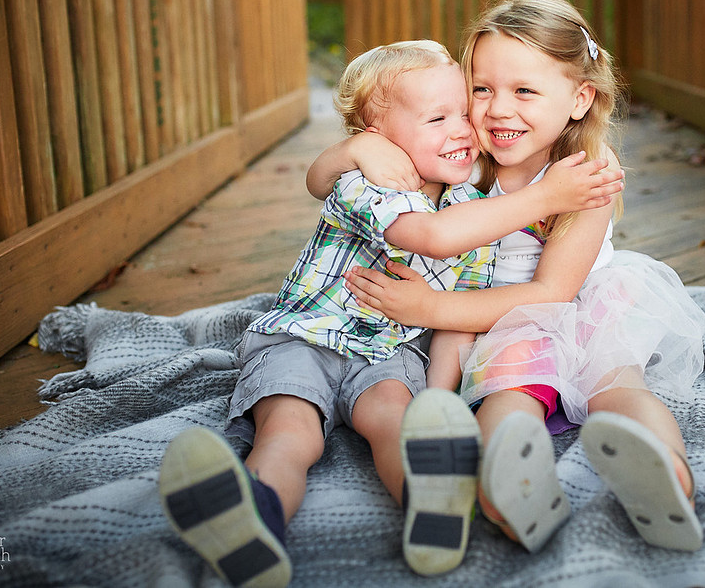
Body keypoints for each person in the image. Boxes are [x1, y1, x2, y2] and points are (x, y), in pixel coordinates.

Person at [156, 39, 624, 588]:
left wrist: (439, 399)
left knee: (397, 425)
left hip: (389, 354)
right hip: (305, 338)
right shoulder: (367, 183)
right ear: (379, 137)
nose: (462, 130)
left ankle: (434, 507)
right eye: (437, 118)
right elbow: (429, 236)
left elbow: (456, 317)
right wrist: (355, 151)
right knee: (290, 434)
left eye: (463, 111)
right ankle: (252, 522)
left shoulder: (473, 206)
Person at [322, 0, 705, 554]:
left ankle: (666, 475)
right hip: (493, 318)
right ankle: (515, 491)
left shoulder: (587, 176)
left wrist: (430, 309)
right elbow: (327, 184)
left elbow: (552, 293)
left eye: (524, 91)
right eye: (482, 89)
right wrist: (357, 146)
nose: (499, 110)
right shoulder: (466, 157)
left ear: (579, 99)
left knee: (618, 385)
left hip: (574, 306)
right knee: (507, 399)